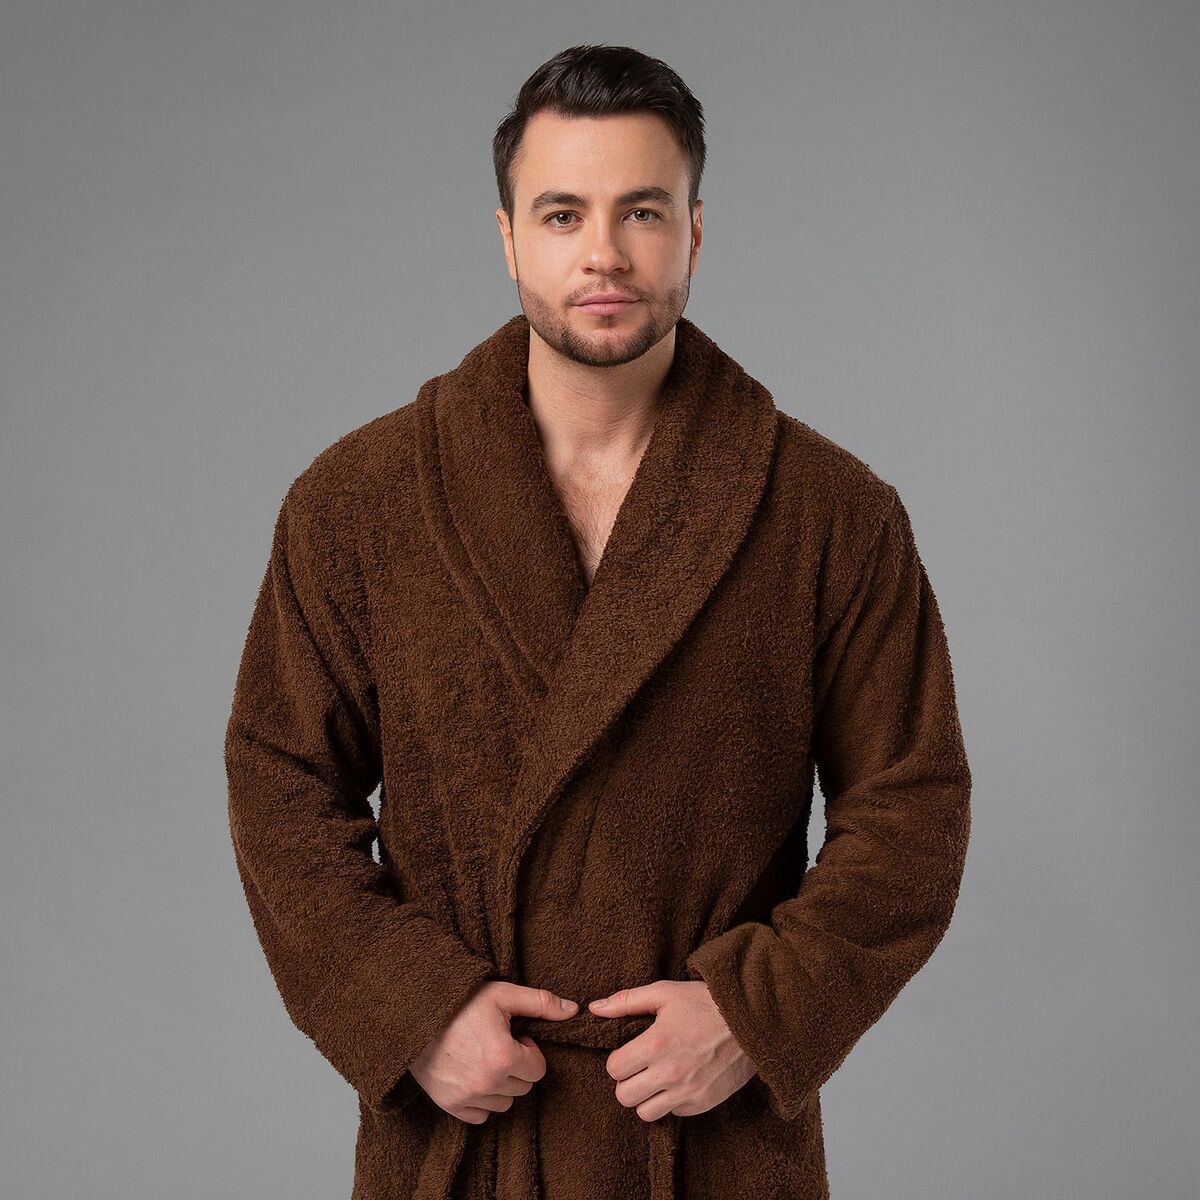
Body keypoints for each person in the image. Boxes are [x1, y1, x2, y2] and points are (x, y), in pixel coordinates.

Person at [224, 42, 972, 1200]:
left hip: (709, 1143)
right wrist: (412, 1010)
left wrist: (756, 1013)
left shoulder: (830, 514)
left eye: (643, 212)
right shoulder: (359, 502)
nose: (605, 254)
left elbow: (913, 806)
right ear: (508, 237)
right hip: (465, 1138)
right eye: (564, 213)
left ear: (696, 233)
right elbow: (280, 782)